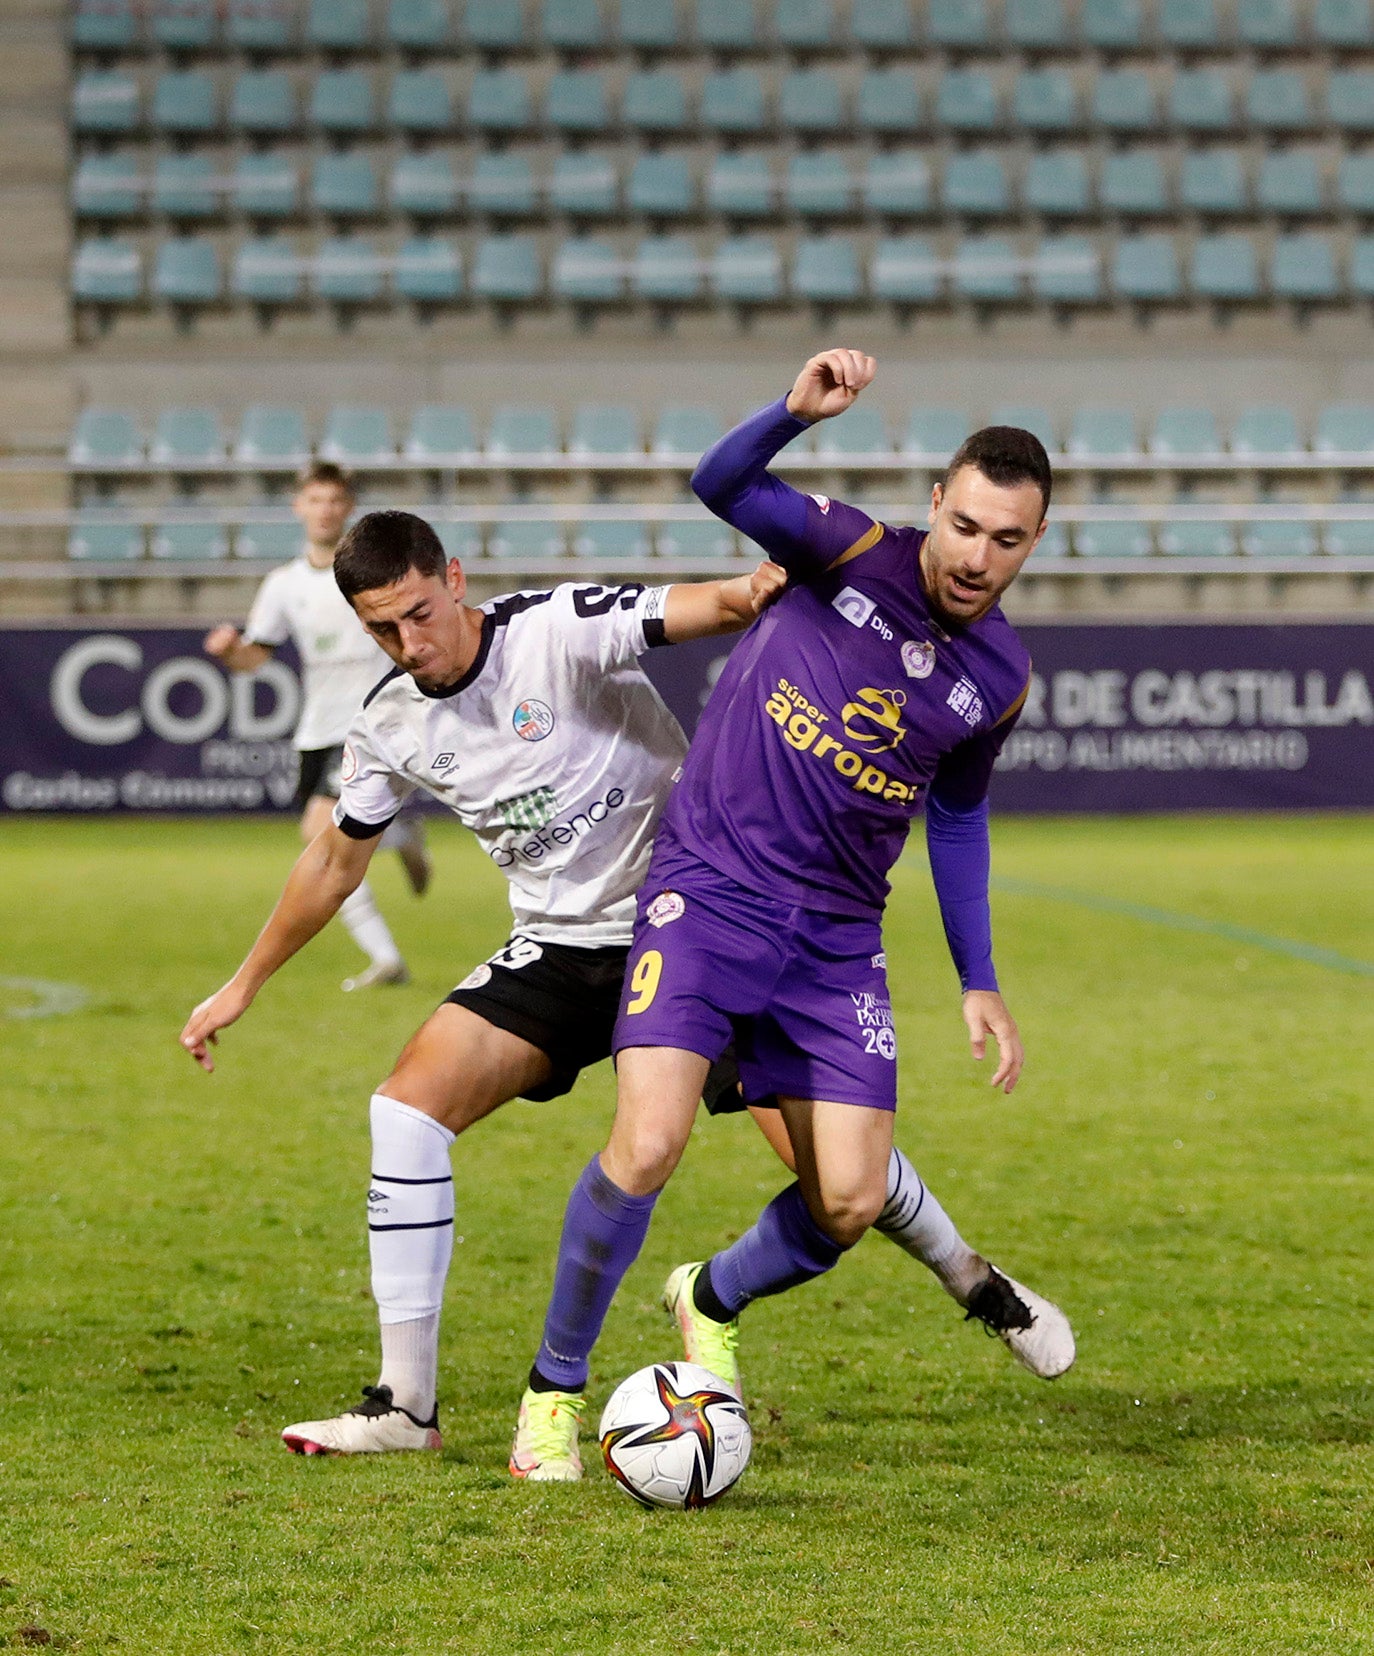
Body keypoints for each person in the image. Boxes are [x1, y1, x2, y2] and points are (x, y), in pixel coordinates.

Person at [180, 509, 1058, 1462]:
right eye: (382, 630)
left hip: (696, 914)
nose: (409, 643)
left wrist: (759, 591)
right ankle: (406, 1407)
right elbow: (332, 865)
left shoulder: (553, 630)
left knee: (836, 1172)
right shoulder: (390, 719)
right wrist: (243, 985)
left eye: (419, 614)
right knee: (404, 1112)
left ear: (456, 578)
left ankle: (971, 1277)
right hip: (564, 949)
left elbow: (702, 606)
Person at [509, 348, 1075, 1482]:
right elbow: (720, 484)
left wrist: (978, 976)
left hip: (835, 944)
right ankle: (551, 1399)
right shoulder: (850, 549)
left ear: (1034, 543)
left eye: (1007, 540)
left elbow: (956, 822)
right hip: (710, 896)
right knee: (649, 1142)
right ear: (936, 507)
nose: (978, 557)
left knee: (853, 1200)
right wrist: (792, 413)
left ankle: (708, 1292)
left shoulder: (998, 678)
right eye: (965, 527)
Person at [203, 461, 429, 991]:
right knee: (344, 835)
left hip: (374, 717)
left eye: (334, 500)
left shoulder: (372, 574)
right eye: (315, 499)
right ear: (298, 507)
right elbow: (256, 657)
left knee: (319, 835)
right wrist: (231, 652)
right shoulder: (283, 584)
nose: (325, 509)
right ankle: (403, 838)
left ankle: (386, 960)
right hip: (317, 728)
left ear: (348, 507)